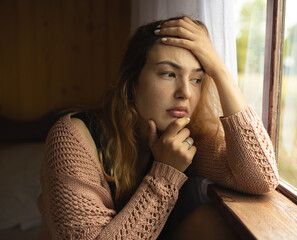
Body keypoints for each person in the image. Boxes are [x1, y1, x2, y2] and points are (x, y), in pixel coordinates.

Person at [38, 16, 279, 239]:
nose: (185, 92)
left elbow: (261, 178)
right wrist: (165, 174)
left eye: (196, 79)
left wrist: (219, 70)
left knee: (210, 220)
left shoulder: (186, 138)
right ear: (132, 83)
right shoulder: (72, 138)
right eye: (168, 74)